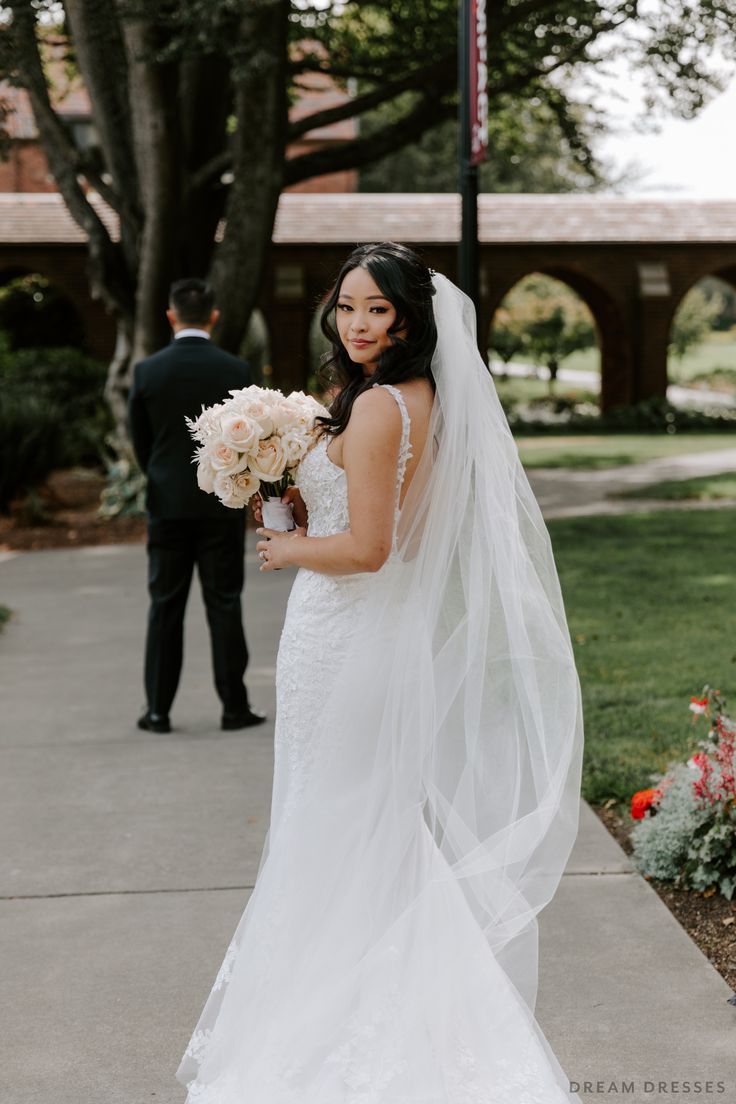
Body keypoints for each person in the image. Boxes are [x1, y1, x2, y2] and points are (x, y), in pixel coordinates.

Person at [176, 244, 585, 1102]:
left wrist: (286, 547)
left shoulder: (377, 410)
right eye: (348, 307)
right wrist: (280, 487)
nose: (358, 324)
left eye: (378, 311)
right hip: (359, 639)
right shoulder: (408, 396)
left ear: (409, 320)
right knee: (360, 828)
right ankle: (375, 1004)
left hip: (345, 637)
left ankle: (345, 1036)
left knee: (335, 825)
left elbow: (368, 547)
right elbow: (370, 517)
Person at [128, 278, 265, 735]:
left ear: (171, 316)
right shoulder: (235, 370)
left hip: (166, 505)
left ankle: (157, 711)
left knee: (164, 606)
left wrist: (164, 477)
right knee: (224, 603)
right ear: (213, 315)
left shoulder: (147, 372)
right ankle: (234, 709)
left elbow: (141, 444)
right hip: (219, 505)